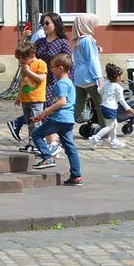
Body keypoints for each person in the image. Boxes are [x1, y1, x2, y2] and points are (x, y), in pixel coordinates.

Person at [30, 54, 82, 185]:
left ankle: (48, 157)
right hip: (68, 120)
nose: (51, 70)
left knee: (36, 134)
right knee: (70, 149)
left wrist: (45, 112)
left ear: (60, 68)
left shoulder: (61, 83)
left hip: (59, 118)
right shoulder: (70, 82)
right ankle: (76, 176)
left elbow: (62, 102)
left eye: (52, 67)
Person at [34, 13, 70, 154]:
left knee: (50, 111)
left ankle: (54, 142)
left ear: (56, 24)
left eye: (47, 23)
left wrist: (67, 83)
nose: (44, 25)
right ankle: (52, 142)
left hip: (56, 82)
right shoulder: (40, 42)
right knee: (43, 110)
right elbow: (31, 56)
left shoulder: (62, 42)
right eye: (43, 23)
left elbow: (68, 64)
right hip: (41, 80)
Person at [7, 41, 47, 146]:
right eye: (19, 59)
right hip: (26, 99)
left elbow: (41, 79)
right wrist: (19, 97)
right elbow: (22, 82)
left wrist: (28, 71)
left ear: (32, 55)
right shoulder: (24, 65)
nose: (21, 61)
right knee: (29, 123)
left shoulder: (40, 64)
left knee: (36, 122)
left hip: (36, 99)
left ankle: (37, 143)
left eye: (23, 59)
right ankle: (31, 142)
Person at [71, 14, 106, 131]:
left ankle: (64, 127)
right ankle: (105, 129)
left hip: (78, 78)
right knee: (101, 104)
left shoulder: (78, 41)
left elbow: (80, 58)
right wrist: (99, 77)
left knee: (77, 106)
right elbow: (92, 61)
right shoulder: (88, 40)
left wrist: (96, 49)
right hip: (90, 78)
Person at [91, 63, 134, 150]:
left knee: (114, 124)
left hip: (104, 107)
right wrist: (129, 109)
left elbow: (100, 91)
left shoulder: (106, 83)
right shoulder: (118, 87)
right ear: (117, 77)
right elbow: (121, 100)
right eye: (121, 75)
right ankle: (95, 138)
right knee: (110, 126)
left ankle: (113, 141)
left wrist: (100, 85)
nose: (122, 77)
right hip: (111, 108)